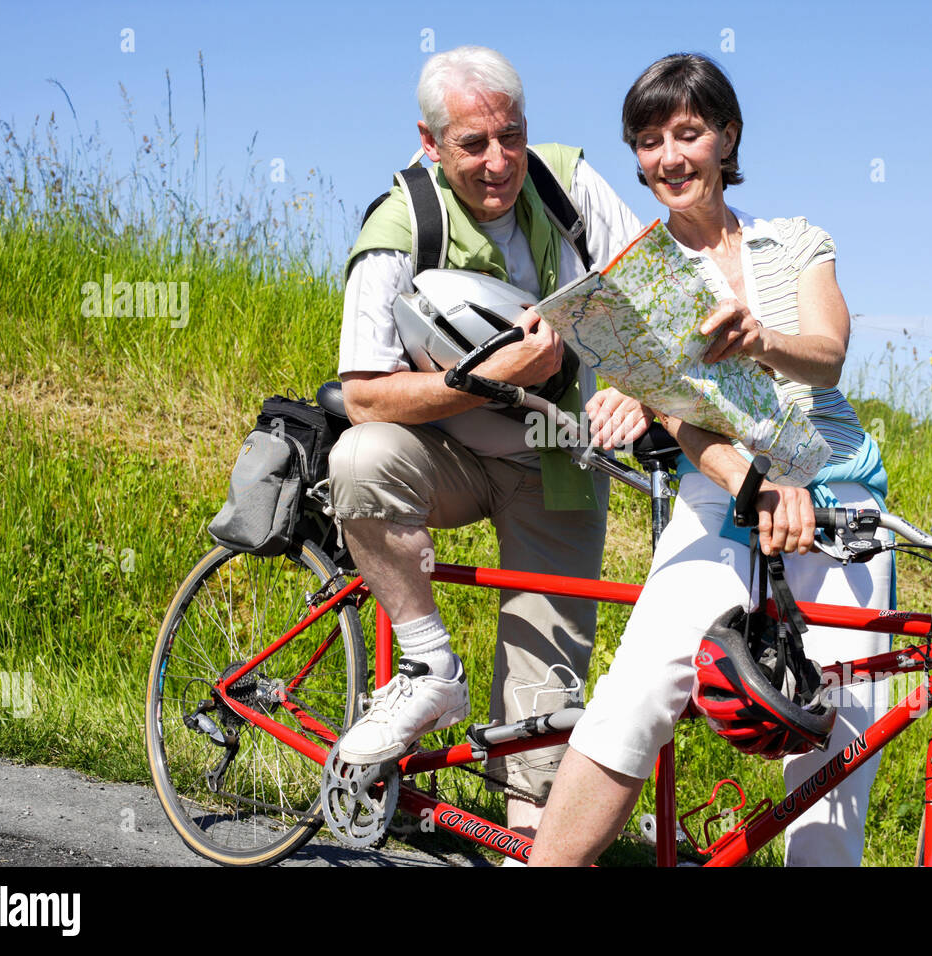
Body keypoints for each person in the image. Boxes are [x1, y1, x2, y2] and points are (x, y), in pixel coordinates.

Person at [530, 53, 893, 867]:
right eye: (649, 141)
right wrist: (752, 483)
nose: (669, 158)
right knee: (639, 689)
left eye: (688, 133)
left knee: (838, 737)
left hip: (841, 498)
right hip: (724, 493)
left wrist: (762, 341)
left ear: (727, 138)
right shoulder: (639, 277)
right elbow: (684, 419)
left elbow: (828, 357)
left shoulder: (795, 240)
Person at [329, 45, 643, 838]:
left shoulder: (566, 182)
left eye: (512, 135)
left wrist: (633, 386)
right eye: (474, 144)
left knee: (547, 707)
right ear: (431, 144)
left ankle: (527, 842)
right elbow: (364, 395)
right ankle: (430, 665)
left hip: (555, 461)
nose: (500, 161)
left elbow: (653, 294)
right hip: (442, 455)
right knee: (356, 458)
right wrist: (485, 377)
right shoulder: (398, 223)